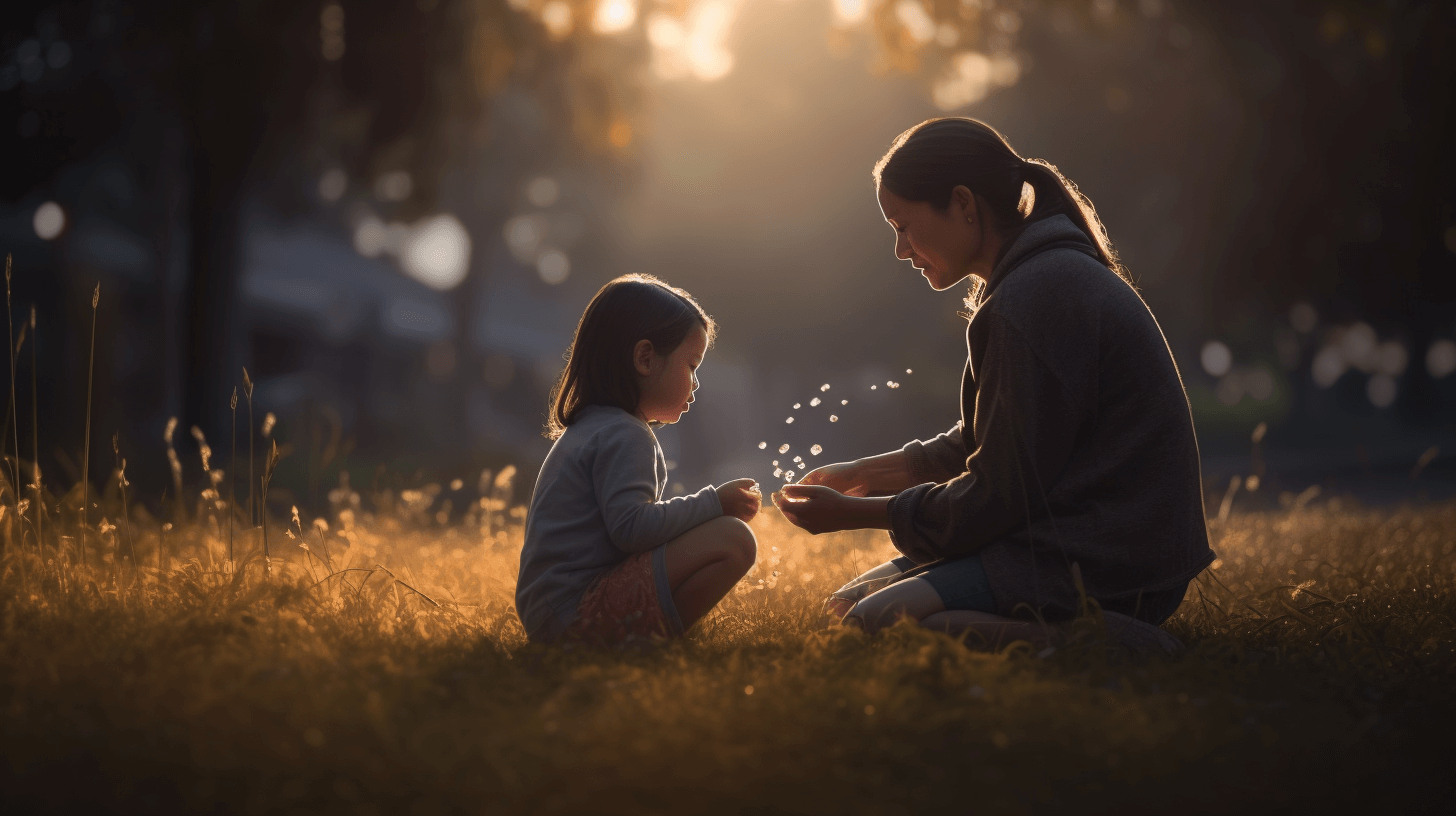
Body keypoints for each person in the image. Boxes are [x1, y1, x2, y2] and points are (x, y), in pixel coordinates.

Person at [773, 118, 1215, 636]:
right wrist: (866, 472)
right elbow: (998, 437)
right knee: (849, 604)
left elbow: (996, 495)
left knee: (877, 624)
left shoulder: (1034, 296)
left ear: (962, 203)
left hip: (1110, 561)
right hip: (1068, 538)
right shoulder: (1030, 280)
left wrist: (855, 513)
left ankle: (1115, 640)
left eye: (903, 227)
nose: (900, 250)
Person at [516, 274, 761, 644]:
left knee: (721, 535)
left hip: (552, 612)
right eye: (691, 366)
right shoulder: (624, 433)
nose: (696, 383)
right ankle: (656, 644)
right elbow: (632, 529)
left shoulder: (594, 427)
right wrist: (715, 503)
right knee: (734, 540)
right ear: (645, 358)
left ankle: (647, 640)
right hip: (578, 612)